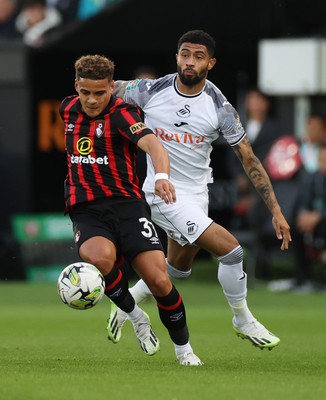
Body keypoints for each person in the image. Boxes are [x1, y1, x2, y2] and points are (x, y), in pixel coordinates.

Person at [108, 29, 292, 350]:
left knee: (178, 269)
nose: (189, 62)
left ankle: (127, 302)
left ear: (211, 63)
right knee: (232, 250)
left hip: (196, 194)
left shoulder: (219, 107)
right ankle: (242, 318)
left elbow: (249, 159)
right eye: (185, 54)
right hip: (161, 191)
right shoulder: (151, 90)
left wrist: (276, 210)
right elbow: (107, 89)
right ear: (177, 56)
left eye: (198, 56)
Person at [59, 54, 202, 366]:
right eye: (85, 93)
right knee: (99, 257)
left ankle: (184, 351)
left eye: (100, 93)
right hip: (87, 208)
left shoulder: (124, 114)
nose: (92, 100)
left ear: (113, 86)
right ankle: (136, 317)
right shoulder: (66, 108)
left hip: (127, 205)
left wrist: (162, 176)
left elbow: (154, 146)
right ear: (76, 87)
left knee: (159, 281)